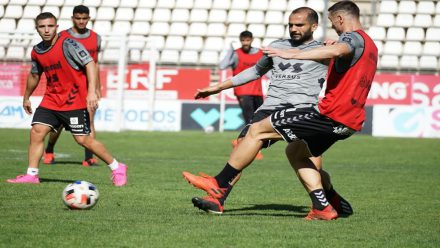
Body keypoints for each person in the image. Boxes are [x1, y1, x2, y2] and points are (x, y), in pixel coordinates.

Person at [183, 0, 377, 220]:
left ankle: (218, 184)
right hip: (290, 111)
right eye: (291, 25)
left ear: (314, 26)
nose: (294, 29)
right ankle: (219, 199)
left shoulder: (329, 47)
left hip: (310, 111)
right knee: (265, 148)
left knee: (270, 140)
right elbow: (254, 71)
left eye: (300, 25)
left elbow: (340, 49)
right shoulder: (279, 46)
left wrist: (296, 54)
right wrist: (217, 87)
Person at [6, 12, 127, 186]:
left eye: (50, 26)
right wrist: (26, 97)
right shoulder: (37, 50)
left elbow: (90, 63)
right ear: (37, 29)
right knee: (37, 131)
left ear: (56, 27)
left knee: (82, 140)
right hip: (51, 100)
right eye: (42, 27)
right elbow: (34, 74)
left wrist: (92, 91)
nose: (46, 30)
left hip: (74, 101)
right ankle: (32, 175)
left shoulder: (68, 44)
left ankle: (117, 167)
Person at [43, 5, 102, 167]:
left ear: (88, 19)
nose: (81, 21)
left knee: (89, 121)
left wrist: (97, 87)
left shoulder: (96, 38)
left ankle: (89, 157)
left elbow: (95, 64)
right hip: (66, 88)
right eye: (78, 18)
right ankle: (49, 150)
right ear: (73, 18)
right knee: (59, 124)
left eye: (84, 18)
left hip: (86, 88)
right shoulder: (61, 36)